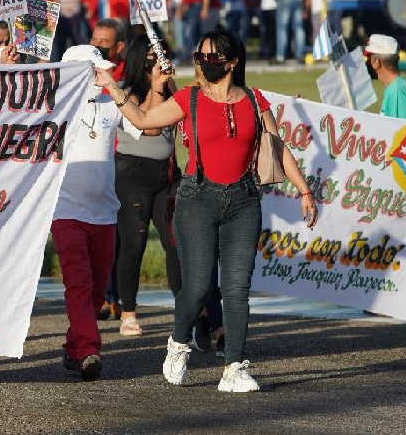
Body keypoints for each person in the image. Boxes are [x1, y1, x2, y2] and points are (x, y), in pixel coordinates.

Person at [97, 27, 318, 392]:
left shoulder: (254, 100)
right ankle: (178, 343)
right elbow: (143, 121)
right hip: (197, 198)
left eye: (210, 57)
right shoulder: (190, 99)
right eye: (199, 56)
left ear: (232, 63)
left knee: (236, 289)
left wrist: (304, 189)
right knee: (198, 286)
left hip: (244, 201)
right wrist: (113, 87)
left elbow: (277, 149)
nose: (203, 62)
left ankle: (234, 367)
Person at [52, 45, 124, 381]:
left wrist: (119, 89)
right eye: (95, 71)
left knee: (95, 292)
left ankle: (73, 347)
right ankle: (88, 349)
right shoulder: (54, 104)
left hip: (105, 212)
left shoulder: (113, 102)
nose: (102, 76)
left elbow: (147, 126)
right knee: (78, 285)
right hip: (65, 211)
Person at [112, 35, 181, 337]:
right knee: (134, 243)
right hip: (133, 175)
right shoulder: (128, 94)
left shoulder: (170, 89)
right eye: (155, 56)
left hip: (165, 175)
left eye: (164, 55)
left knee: (176, 242)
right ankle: (128, 311)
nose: (161, 61)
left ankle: (185, 308)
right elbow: (150, 125)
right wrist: (157, 87)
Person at [365, 34, 406, 120]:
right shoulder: (395, 87)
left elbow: (399, 130)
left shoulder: (397, 90)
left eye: (368, 58)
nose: (366, 62)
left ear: (376, 62)